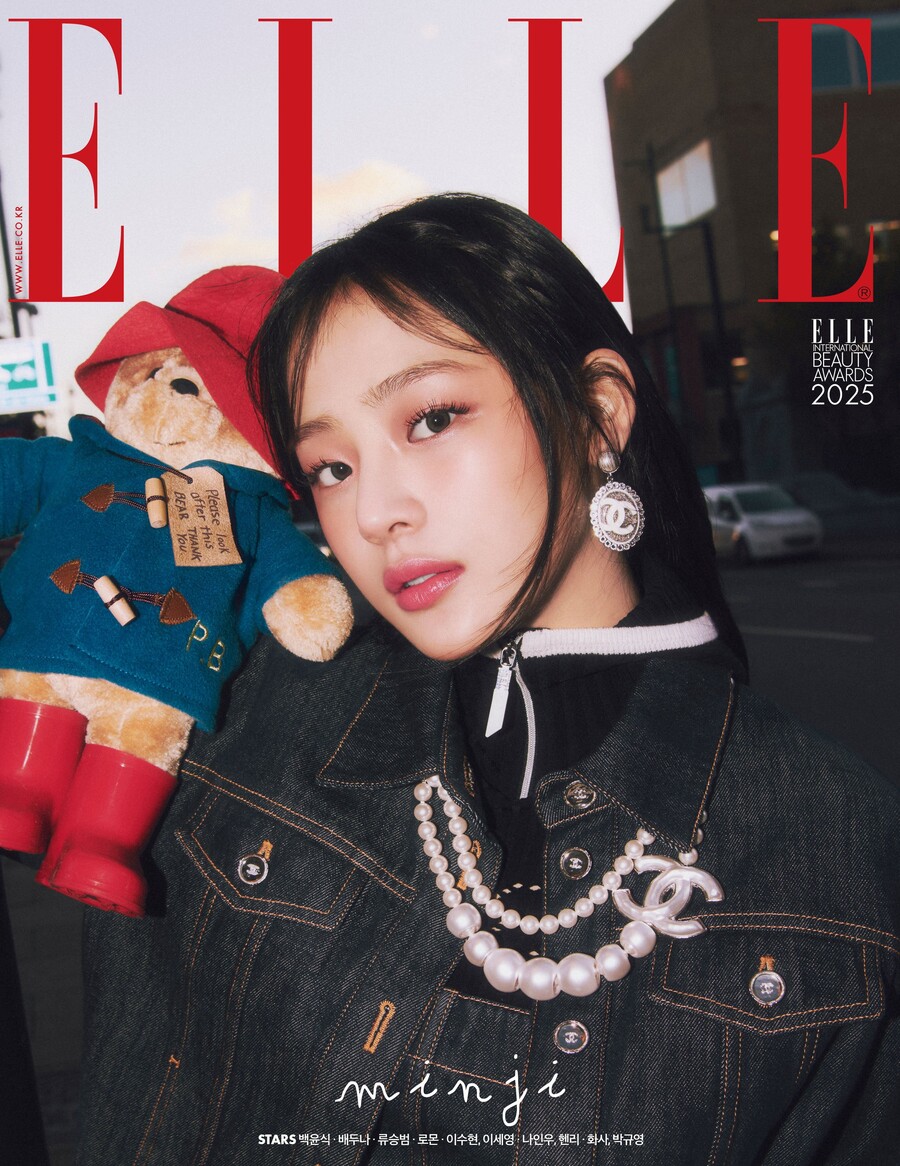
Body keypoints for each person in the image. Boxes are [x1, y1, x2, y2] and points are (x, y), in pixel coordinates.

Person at [76, 195, 899, 1165]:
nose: (374, 511)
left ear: (597, 413)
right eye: (330, 466)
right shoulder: (267, 706)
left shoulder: (830, 842)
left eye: (431, 418)